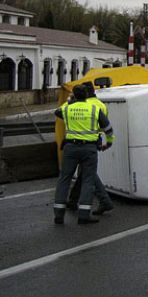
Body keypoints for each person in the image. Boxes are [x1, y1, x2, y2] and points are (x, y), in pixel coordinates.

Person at [53, 83, 114, 224]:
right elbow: (108, 128)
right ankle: (84, 215)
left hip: (70, 147)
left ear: (74, 95)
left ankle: (58, 214)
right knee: (88, 179)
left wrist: (70, 101)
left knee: (64, 179)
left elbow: (57, 112)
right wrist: (109, 143)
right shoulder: (95, 108)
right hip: (89, 147)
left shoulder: (68, 108)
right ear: (87, 95)